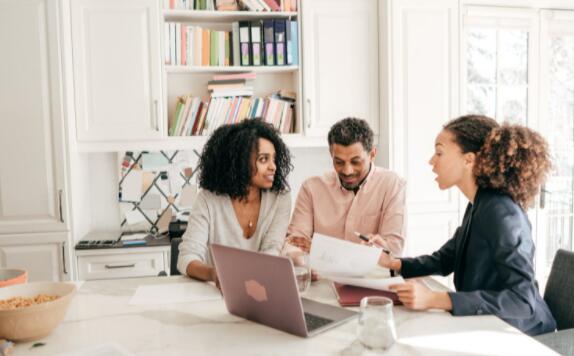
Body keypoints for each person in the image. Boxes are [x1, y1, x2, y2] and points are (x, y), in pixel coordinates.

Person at [371, 115, 556, 336]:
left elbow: (522, 301)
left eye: (439, 153)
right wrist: (392, 262)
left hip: (526, 336)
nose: (432, 161)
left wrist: (436, 299)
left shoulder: (502, 213)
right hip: (489, 327)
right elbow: (446, 258)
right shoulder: (478, 203)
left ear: (469, 160)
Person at [177, 119, 293, 286]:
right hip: (217, 294)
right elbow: (186, 257)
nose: (273, 166)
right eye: (263, 159)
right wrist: (213, 273)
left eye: (273, 159)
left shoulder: (280, 197)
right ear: (239, 162)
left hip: (261, 287)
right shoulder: (208, 199)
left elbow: (272, 249)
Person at [287, 117, 406, 256]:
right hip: (321, 277)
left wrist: (318, 250)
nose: (347, 171)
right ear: (331, 155)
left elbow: (393, 252)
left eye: (355, 162)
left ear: (372, 154)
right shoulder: (311, 188)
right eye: (339, 162)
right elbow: (295, 244)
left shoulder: (392, 185)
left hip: (370, 277)